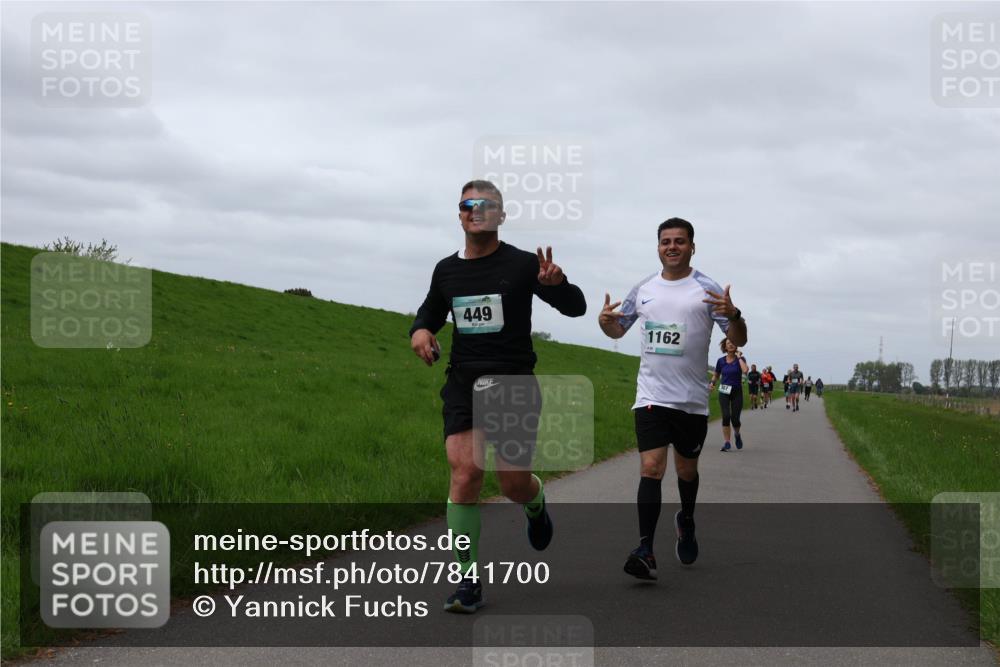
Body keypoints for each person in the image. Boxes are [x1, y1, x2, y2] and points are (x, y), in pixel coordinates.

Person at [409, 180, 587, 612]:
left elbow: (576, 307)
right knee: (465, 473)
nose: (476, 211)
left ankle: (535, 502)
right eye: (468, 205)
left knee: (512, 484)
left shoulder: (525, 265)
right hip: (463, 383)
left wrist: (559, 284)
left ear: (500, 216)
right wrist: (420, 331)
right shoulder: (446, 270)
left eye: (486, 205)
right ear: (460, 214)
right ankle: (468, 581)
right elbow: (430, 312)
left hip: (513, 384)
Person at [599, 217, 747, 580]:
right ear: (658, 247)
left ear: (692, 246)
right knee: (651, 468)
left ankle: (687, 519)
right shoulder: (644, 289)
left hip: (692, 400)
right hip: (651, 395)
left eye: (680, 241)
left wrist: (735, 314)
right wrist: (604, 322)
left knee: (686, 470)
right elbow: (619, 327)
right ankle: (645, 548)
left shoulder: (708, 290)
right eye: (666, 241)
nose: (672, 247)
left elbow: (739, 339)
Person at [711, 341, 749, 450]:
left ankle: (737, 435)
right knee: (726, 416)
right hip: (724, 390)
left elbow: (745, 370)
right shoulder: (721, 361)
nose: (731, 344)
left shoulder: (740, 359)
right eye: (728, 343)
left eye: (733, 343)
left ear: (736, 346)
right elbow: (716, 374)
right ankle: (727, 442)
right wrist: (712, 383)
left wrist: (740, 357)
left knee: (735, 419)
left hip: (736, 391)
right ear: (725, 346)